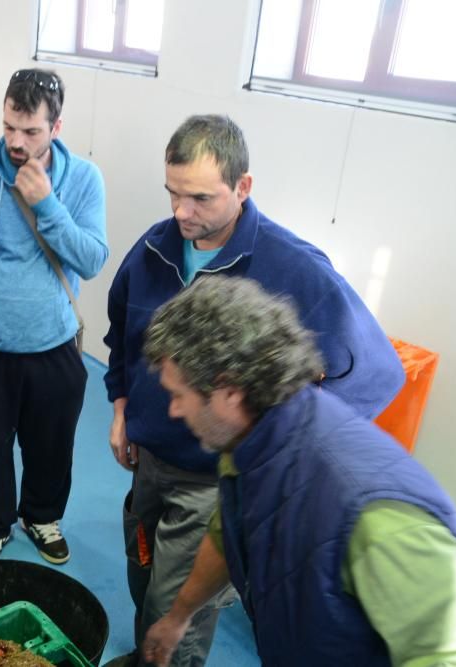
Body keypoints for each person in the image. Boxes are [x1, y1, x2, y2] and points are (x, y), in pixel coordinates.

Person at [103, 114, 406, 666]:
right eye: (172, 194)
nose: (180, 213)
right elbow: (121, 330)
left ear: (243, 187)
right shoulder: (154, 248)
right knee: (144, 579)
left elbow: (377, 374)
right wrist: (121, 407)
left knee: (179, 610)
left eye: (199, 198)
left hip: (214, 478)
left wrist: (279, 447)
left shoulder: (294, 268)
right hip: (149, 461)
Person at [138, 275, 456, 667]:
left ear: (229, 391)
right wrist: (180, 615)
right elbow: (227, 529)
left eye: (179, 396)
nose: (174, 411)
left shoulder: (375, 515)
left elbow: (454, 654)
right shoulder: (250, 440)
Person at [0, 69, 108, 564]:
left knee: (51, 447)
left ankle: (41, 516)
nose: (16, 141)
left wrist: (47, 204)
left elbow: (92, 259)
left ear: (56, 128)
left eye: (30, 131)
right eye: (9, 127)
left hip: (55, 344)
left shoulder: (83, 180)